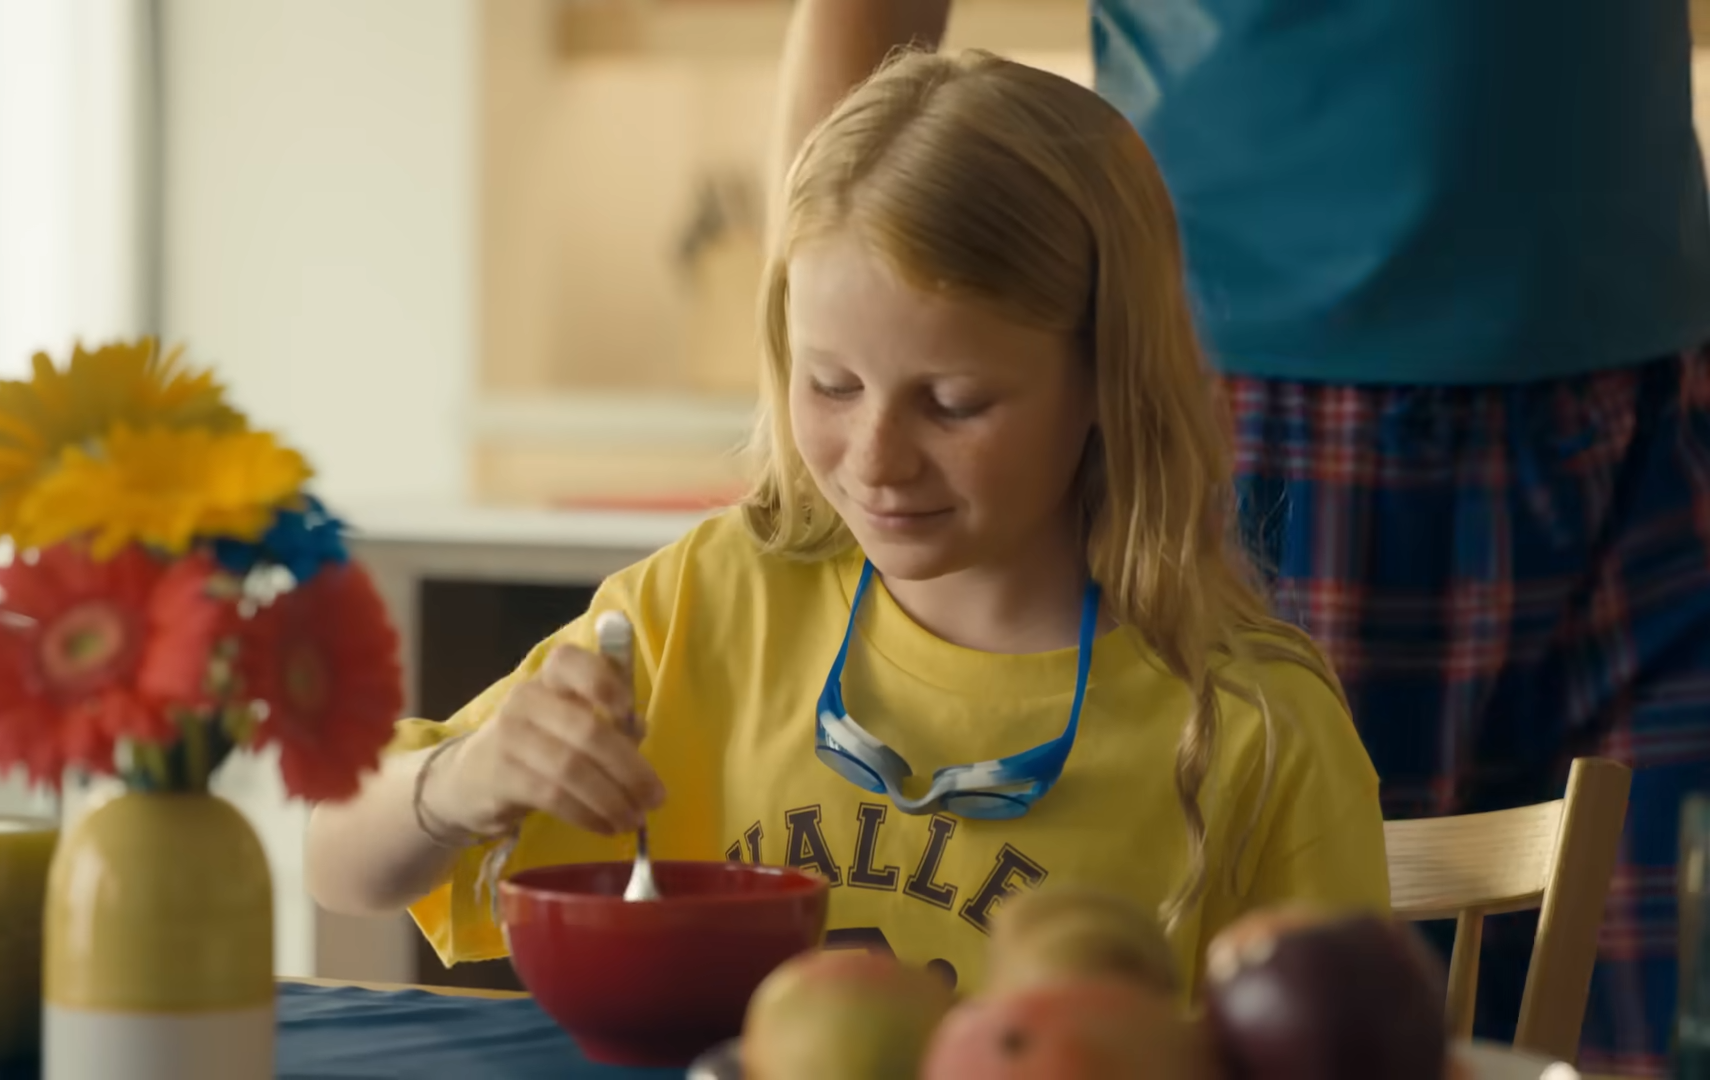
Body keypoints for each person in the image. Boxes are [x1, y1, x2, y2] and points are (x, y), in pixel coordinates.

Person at [306, 50, 1388, 999]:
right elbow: (337, 856)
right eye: (831, 385)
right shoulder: (709, 604)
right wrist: (468, 779)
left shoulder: (1256, 728)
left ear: (1109, 376)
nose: (875, 461)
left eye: (953, 404)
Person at [767, 1, 1710, 1072]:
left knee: (1669, 1022)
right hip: (1285, 407)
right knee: (1335, 1025)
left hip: (1659, 386)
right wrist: (834, 368)